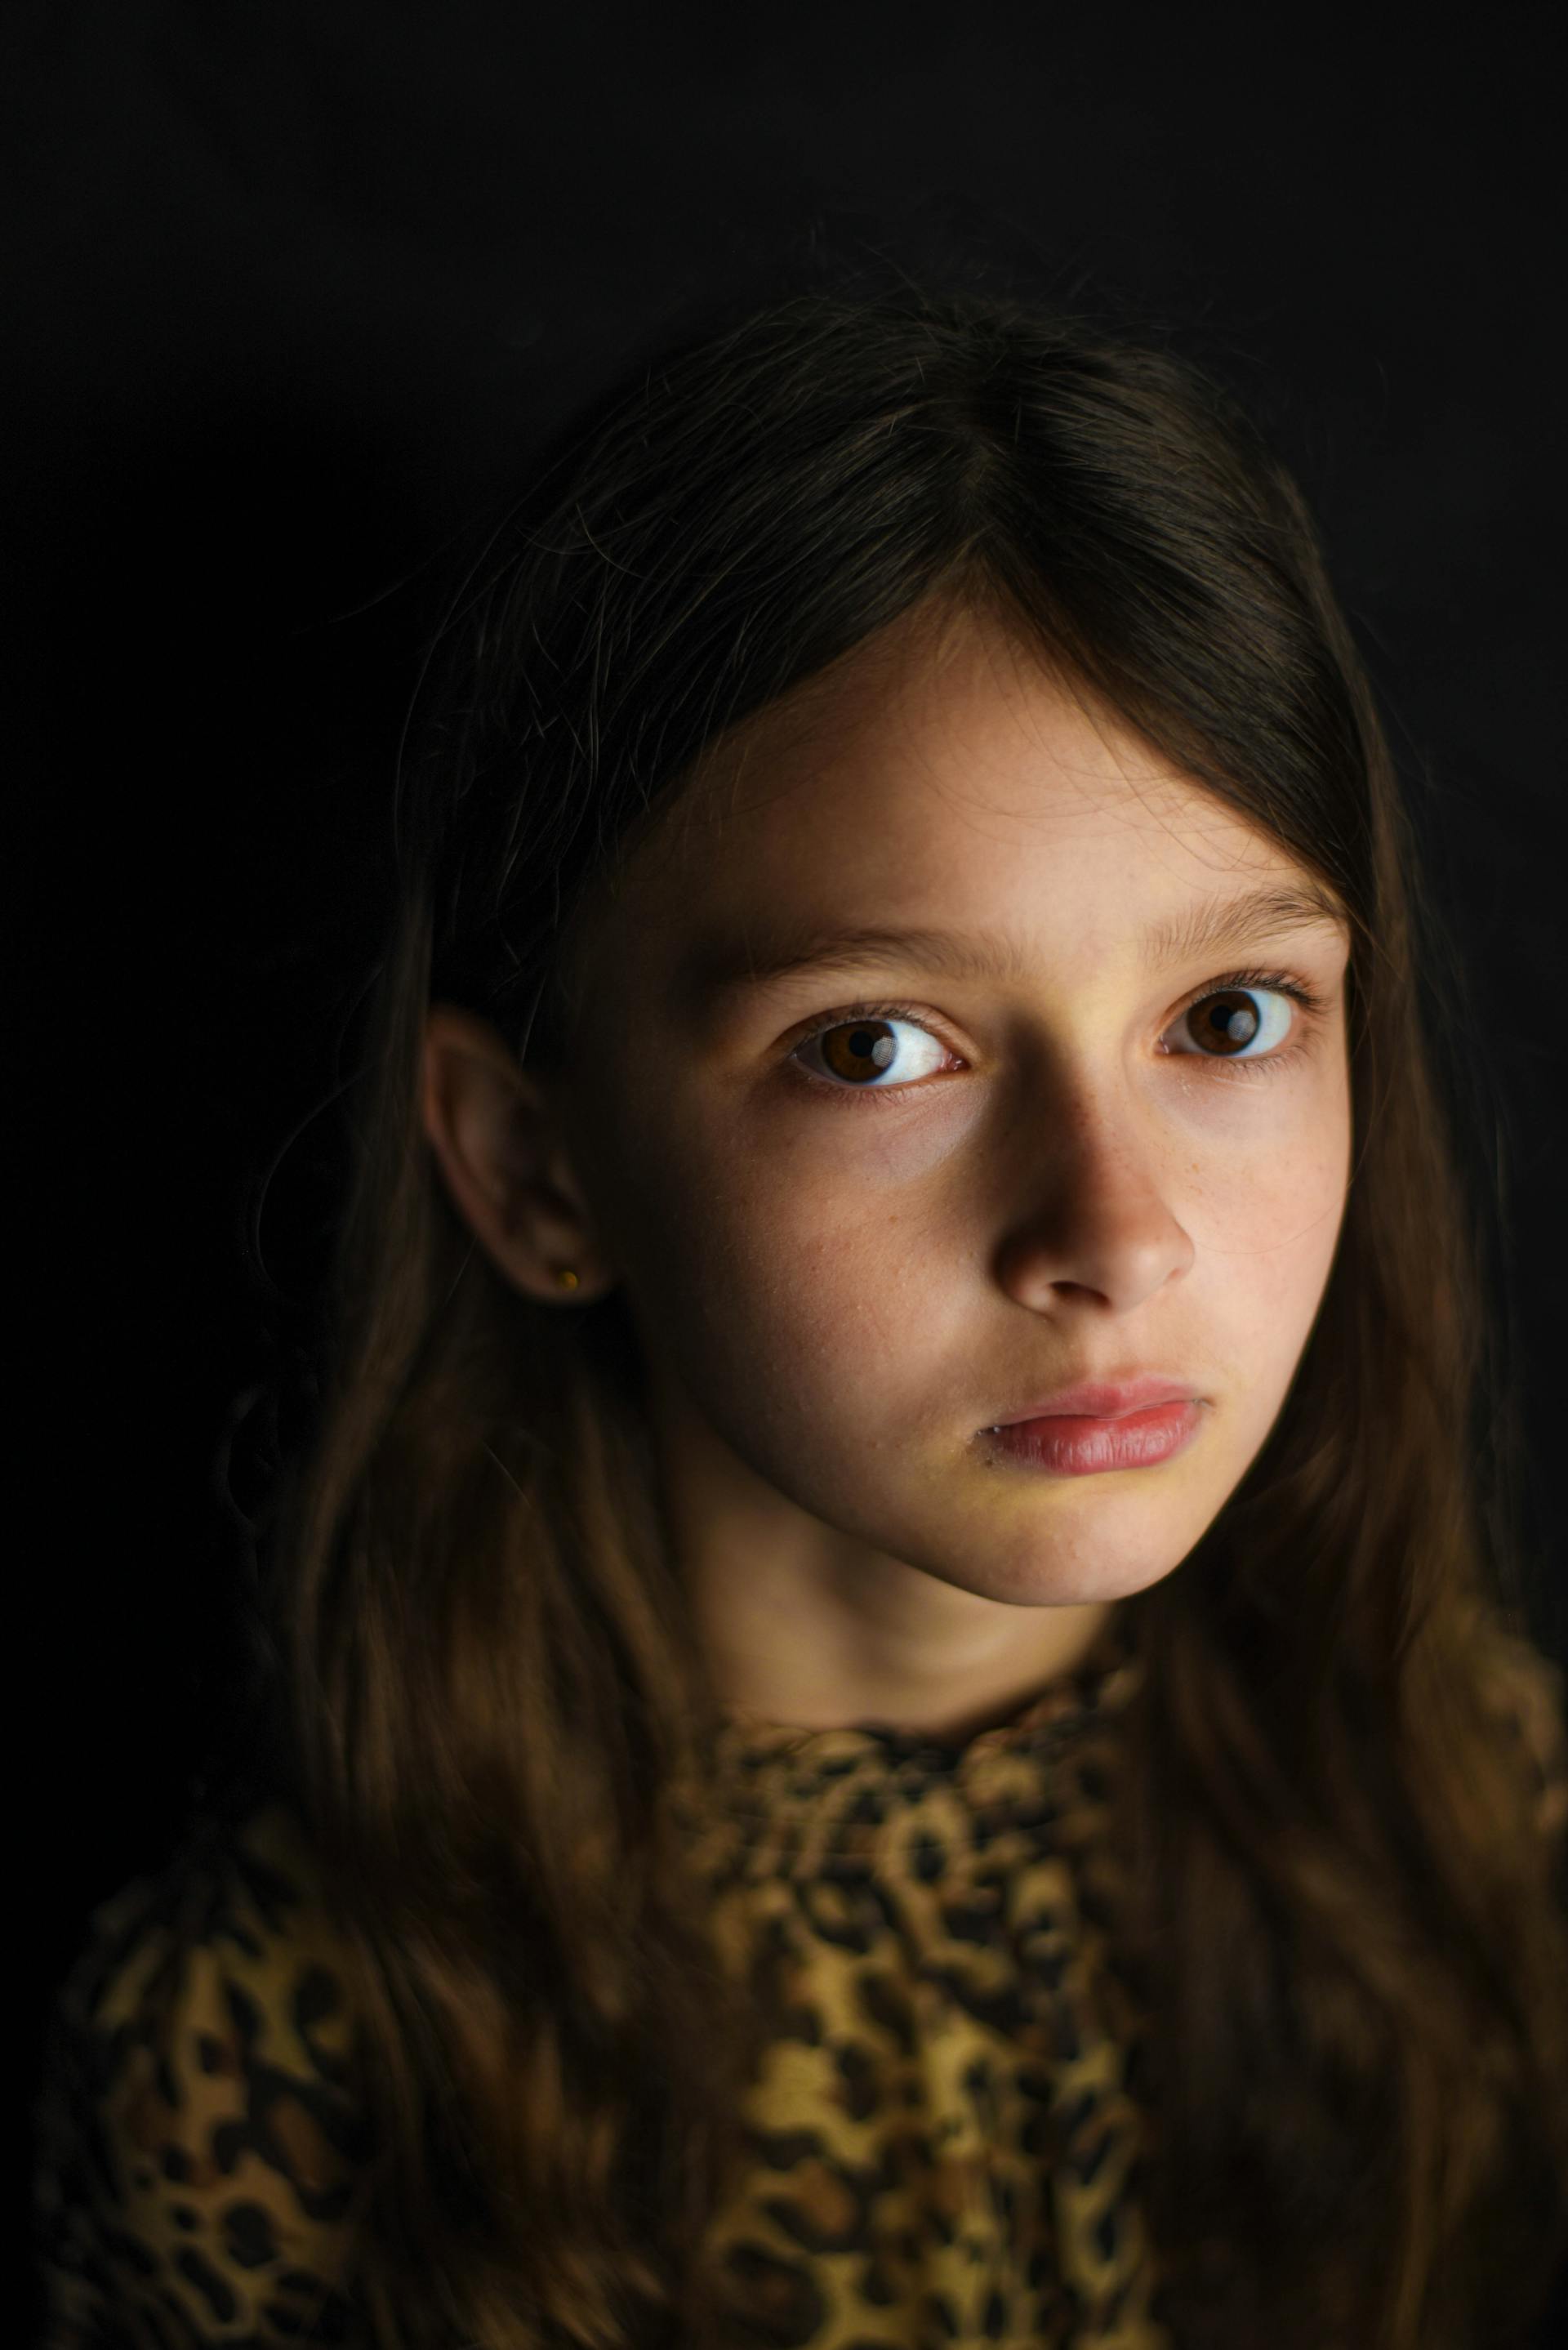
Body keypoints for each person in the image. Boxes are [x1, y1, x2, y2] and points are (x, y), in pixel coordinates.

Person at [31, 275, 1568, 2350]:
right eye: (878, 1048)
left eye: (1228, 1015)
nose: (1113, 1235)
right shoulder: (282, 2076)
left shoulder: (1465, 1804)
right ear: (530, 1165)